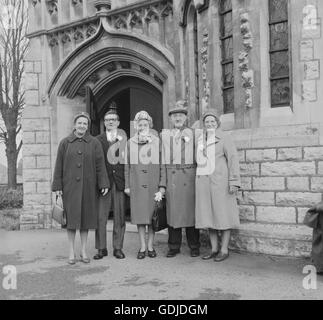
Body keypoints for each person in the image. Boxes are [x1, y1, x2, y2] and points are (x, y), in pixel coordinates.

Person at [52, 112, 109, 265]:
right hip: (69, 188)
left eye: (85, 123)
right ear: (74, 125)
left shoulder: (94, 143)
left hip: (88, 188)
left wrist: (103, 183)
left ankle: (83, 251)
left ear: (87, 126)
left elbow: (100, 165)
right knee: (70, 222)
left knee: (85, 221)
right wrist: (57, 186)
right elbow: (58, 166)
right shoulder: (65, 143)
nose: (82, 126)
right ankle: (71, 252)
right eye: (80, 123)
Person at [195, 109, 241, 262]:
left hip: (220, 182)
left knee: (223, 216)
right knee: (209, 216)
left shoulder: (225, 137)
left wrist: (234, 181)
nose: (209, 124)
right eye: (207, 122)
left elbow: (233, 158)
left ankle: (224, 249)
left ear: (217, 123)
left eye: (212, 121)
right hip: (204, 183)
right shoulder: (200, 140)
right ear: (204, 124)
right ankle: (214, 249)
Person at [160, 100, 200, 258]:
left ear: (185, 118)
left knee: (191, 214)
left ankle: (194, 245)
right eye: (175, 115)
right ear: (171, 119)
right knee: (173, 214)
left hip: (189, 177)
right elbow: (162, 160)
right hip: (172, 177)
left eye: (180, 115)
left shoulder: (194, 134)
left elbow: (200, 157)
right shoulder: (164, 135)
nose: (177, 118)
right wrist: (162, 184)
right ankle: (174, 246)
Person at [124, 111, 164, 259]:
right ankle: (142, 247)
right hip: (137, 185)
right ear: (136, 126)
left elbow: (162, 165)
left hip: (153, 185)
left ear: (150, 125)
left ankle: (150, 246)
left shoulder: (157, 141)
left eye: (145, 124)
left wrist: (162, 186)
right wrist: (127, 186)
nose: (142, 126)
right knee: (140, 218)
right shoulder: (130, 143)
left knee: (152, 217)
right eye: (140, 124)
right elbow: (126, 166)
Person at [94, 108, 127, 260]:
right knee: (101, 217)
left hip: (119, 181)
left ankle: (118, 247)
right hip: (104, 184)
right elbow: (95, 164)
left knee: (120, 217)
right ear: (104, 123)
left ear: (118, 122)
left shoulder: (124, 140)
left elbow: (129, 162)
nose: (111, 122)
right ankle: (101, 248)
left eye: (113, 119)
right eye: (108, 120)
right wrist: (101, 183)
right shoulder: (97, 140)